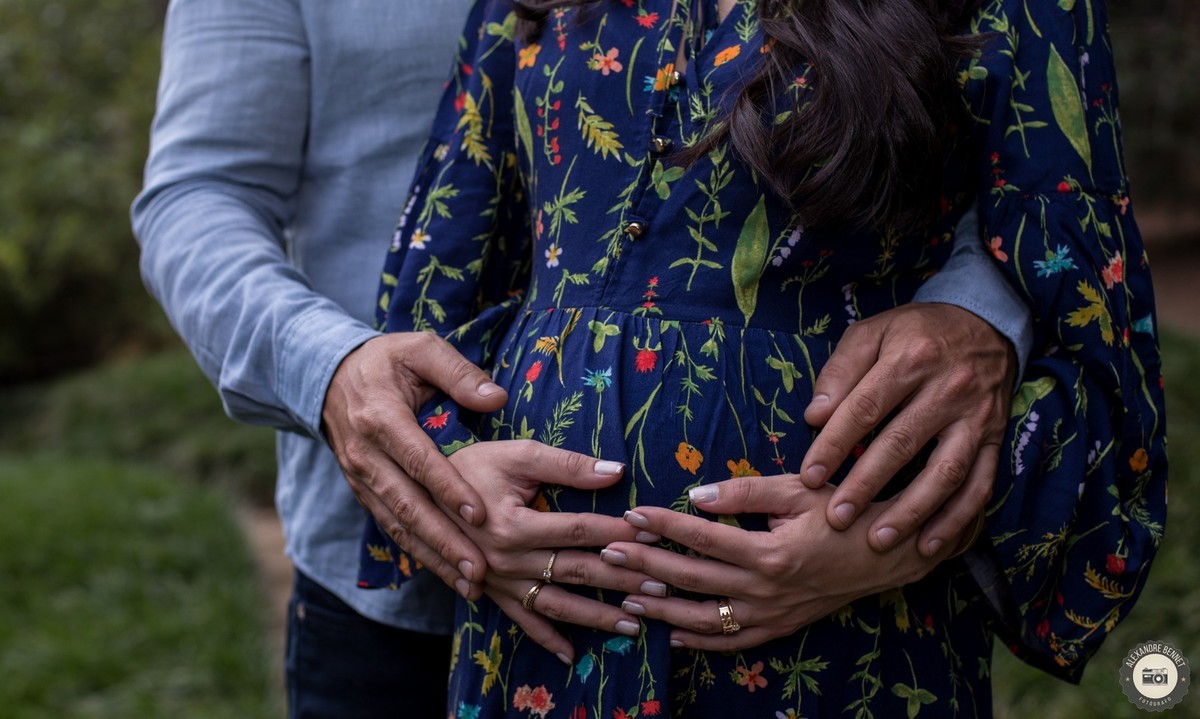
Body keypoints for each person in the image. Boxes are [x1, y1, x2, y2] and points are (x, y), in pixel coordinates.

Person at [133, 0, 1031, 715]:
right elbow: (195, 195)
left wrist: (976, 313)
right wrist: (332, 373)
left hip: (793, 575)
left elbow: (1003, 141)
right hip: (385, 560)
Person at [357, 0, 1167, 716]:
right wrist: (460, 493)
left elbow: (1091, 313)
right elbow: (440, 279)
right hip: (544, 640)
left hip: (840, 639)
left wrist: (914, 521)